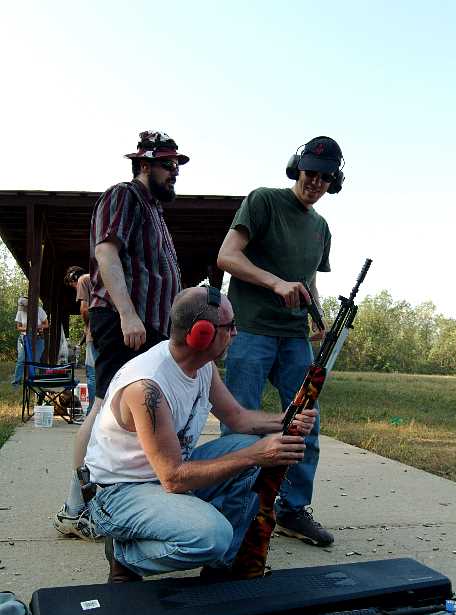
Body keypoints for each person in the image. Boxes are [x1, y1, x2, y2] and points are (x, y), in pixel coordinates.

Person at [85, 286, 316, 583]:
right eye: (230, 326)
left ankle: (222, 566)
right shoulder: (146, 386)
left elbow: (238, 418)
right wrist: (254, 455)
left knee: (251, 448)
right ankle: (125, 555)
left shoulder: (203, 367)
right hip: (120, 493)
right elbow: (173, 477)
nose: (235, 333)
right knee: (212, 536)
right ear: (201, 334)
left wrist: (286, 420)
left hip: (162, 477)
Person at [54, 130, 189, 540]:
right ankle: (75, 507)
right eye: (167, 164)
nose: (174, 172)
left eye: (176, 165)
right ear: (144, 164)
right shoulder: (124, 196)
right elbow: (106, 252)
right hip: (123, 321)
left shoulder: (153, 210)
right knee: (103, 409)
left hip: (148, 326)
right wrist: (128, 314)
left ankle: (123, 500)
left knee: (131, 416)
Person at [217, 136, 345, 547]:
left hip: (294, 337)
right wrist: (274, 283)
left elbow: (308, 280)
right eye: (310, 173)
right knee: (240, 421)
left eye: (325, 177)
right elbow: (227, 256)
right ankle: (234, 507)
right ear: (296, 168)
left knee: (306, 422)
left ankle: (292, 509)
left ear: (334, 182)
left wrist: (318, 319)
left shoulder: (321, 228)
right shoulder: (264, 201)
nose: (316, 183)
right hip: (250, 330)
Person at [63, 266, 97, 413]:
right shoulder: (98, 280)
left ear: (74, 278)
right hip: (107, 333)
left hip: (95, 336)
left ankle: (92, 412)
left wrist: (87, 325)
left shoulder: (83, 279)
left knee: (92, 374)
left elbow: (84, 309)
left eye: (73, 285)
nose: (75, 288)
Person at [12, 296, 49, 385]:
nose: (23, 309)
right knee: (21, 359)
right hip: (24, 338)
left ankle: (32, 381)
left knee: (35, 360)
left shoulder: (39, 310)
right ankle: (16, 382)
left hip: (38, 338)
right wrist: (28, 328)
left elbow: (46, 324)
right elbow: (18, 327)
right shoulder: (20, 312)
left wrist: (36, 327)